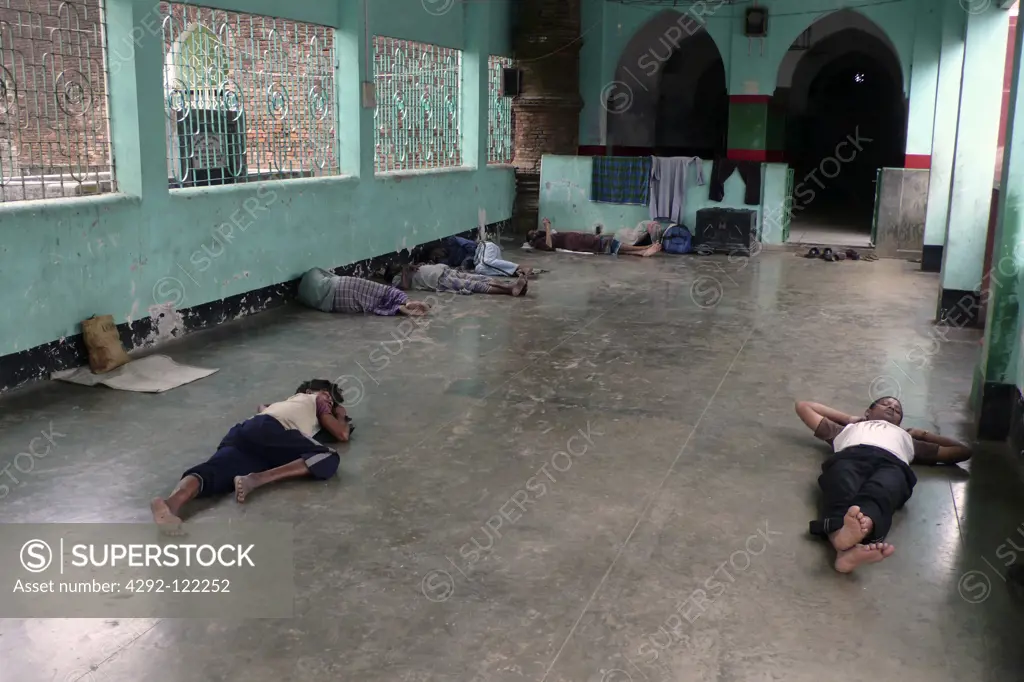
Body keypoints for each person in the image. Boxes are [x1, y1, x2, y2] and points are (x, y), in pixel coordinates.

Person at [794, 396, 971, 573]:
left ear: (899, 423)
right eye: (886, 404)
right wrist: (849, 419)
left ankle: (845, 541)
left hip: (892, 465)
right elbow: (804, 406)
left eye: (897, 410)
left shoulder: (907, 439)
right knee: (841, 487)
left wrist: (922, 434)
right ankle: (846, 547)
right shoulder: (847, 429)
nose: (892, 408)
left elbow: (962, 451)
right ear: (868, 412)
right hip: (851, 457)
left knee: (881, 491)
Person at [151, 380, 353, 530]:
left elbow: (262, 407)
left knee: (214, 471)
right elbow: (341, 434)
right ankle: (257, 480)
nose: (329, 402)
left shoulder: (282, 405)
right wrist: (340, 414)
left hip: (245, 432)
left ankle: (170, 505)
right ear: (314, 392)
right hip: (272, 431)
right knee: (327, 457)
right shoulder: (317, 399)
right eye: (329, 397)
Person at [297, 267, 431, 316]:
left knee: (372, 304)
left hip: (335, 305)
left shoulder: (304, 296)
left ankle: (398, 308)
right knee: (382, 293)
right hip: (342, 284)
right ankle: (406, 302)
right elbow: (331, 276)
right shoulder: (314, 271)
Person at [528, 218, 661, 257]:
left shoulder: (547, 235)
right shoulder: (539, 242)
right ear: (531, 240)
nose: (534, 232)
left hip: (582, 239)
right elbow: (548, 247)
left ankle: (641, 252)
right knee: (611, 244)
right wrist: (547, 227)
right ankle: (644, 248)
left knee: (614, 248)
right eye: (531, 234)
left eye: (534, 230)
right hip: (583, 243)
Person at [394, 262, 528, 297]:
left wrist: (413, 266)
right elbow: (405, 287)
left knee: (480, 277)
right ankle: (510, 289)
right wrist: (405, 272)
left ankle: (512, 285)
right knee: (474, 285)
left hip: (444, 270)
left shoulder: (407, 268)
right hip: (438, 281)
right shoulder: (397, 279)